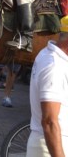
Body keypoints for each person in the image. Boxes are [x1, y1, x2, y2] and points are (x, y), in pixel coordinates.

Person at [27, 15, 68, 155]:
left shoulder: (47, 54)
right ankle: (23, 33)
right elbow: (49, 122)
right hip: (52, 145)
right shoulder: (54, 67)